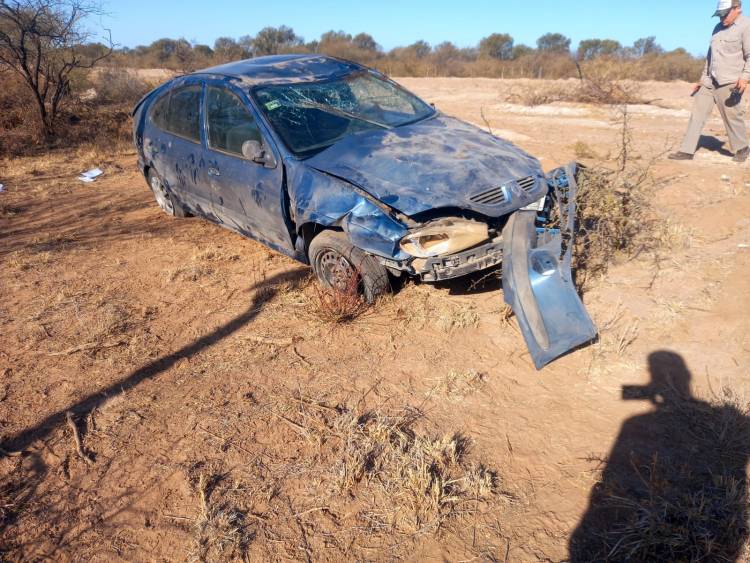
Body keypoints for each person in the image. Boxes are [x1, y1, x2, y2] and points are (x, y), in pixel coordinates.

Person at [670, 0, 750, 162]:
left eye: (725, 14)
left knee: (732, 116)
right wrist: (702, 79)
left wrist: (745, 77)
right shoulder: (717, 28)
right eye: (719, 15)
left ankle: (742, 148)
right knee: (697, 114)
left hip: (730, 81)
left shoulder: (746, 26)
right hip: (709, 81)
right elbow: (710, 57)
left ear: (737, 9)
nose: (722, 19)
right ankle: (687, 150)